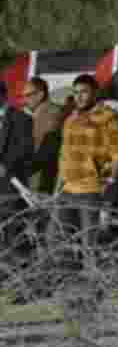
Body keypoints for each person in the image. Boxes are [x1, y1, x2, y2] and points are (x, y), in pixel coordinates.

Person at [54, 74, 118, 256]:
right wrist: (58, 188)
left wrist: (110, 183)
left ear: (95, 93)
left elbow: (117, 155)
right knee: (60, 244)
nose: (79, 97)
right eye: (76, 92)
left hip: (90, 190)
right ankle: (65, 282)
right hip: (67, 189)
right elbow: (64, 156)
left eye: (84, 92)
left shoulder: (107, 117)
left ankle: (93, 282)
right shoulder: (69, 120)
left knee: (89, 247)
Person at [0, 81, 34, 242]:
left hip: (10, 184)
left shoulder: (22, 119)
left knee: (10, 230)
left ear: (3, 96)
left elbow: (25, 149)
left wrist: (6, 166)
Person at [22, 77, 63, 196]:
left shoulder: (51, 112)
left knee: (38, 213)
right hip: (35, 176)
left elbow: (46, 149)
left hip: (41, 177)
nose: (25, 100)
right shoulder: (39, 113)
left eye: (28, 95)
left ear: (40, 94)